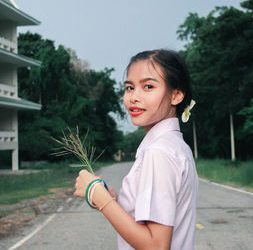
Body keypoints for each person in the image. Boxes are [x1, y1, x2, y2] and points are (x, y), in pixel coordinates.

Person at [74, 49, 198, 250]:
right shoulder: (174, 145)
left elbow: (156, 246)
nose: (133, 97)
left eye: (148, 86)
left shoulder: (158, 152)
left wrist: (100, 197)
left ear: (175, 95)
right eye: (130, 88)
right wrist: (114, 201)